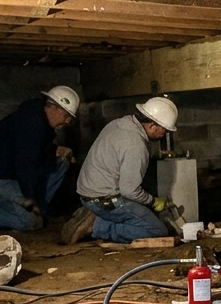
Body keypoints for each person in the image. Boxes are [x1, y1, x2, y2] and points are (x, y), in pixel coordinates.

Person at [0, 85, 80, 231]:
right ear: (53, 108)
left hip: (14, 174)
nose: (68, 121)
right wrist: (30, 199)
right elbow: (25, 165)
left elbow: (34, 152)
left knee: (62, 163)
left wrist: (56, 150)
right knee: (26, 221)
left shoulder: (41, 121)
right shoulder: (32, 124)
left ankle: (36, 210)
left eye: (70, 118)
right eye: (66, 116)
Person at [62, 96, 178, 244]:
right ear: (152, 125)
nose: (164, 134)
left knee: (141, 211)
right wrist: (153, 201)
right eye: (164, 129)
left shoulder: (118, 124)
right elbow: (129, 191)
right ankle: (96, 226)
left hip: (87, 194)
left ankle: (96, 215)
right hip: (105, 199)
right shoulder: (136, 145)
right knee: (157, 231)